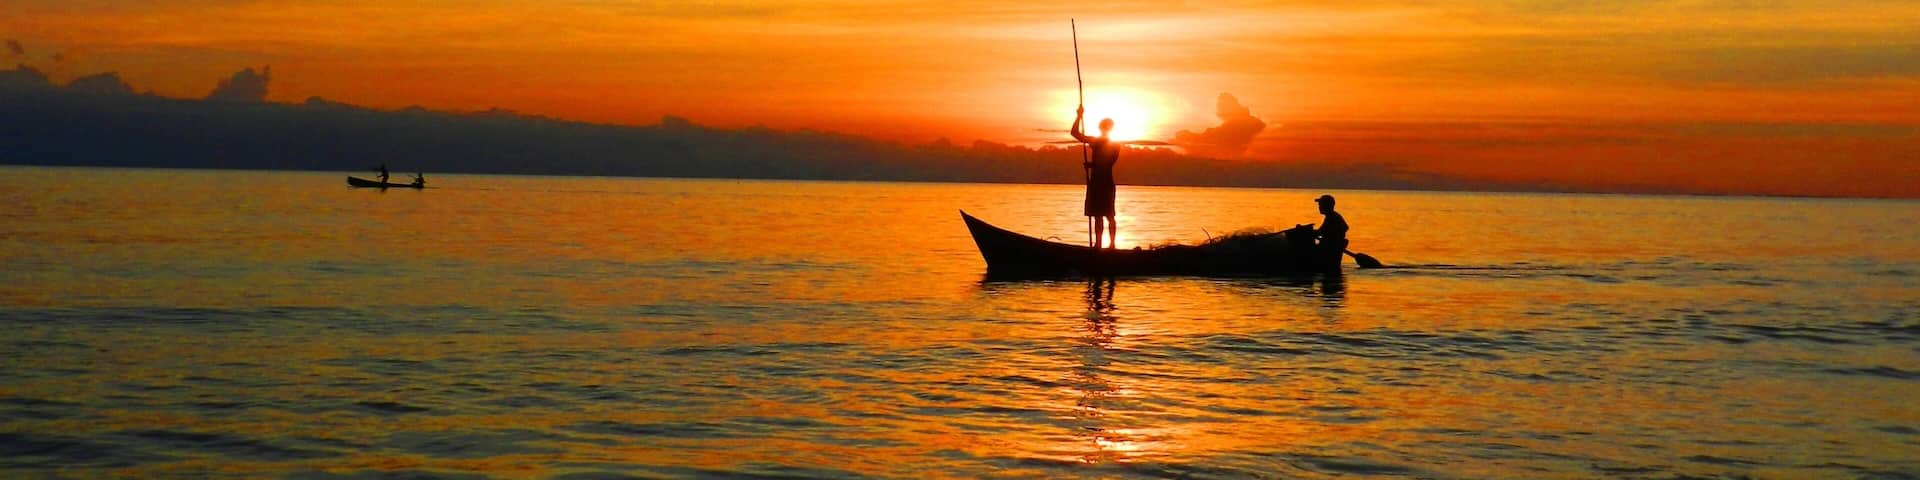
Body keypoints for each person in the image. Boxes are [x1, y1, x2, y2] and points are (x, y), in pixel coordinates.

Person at [1070, 106, 1120, 249]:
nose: (1103, 129)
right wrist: (1079, 116)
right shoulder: (1096, 141)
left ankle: (1111, 245)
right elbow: (1074, 133)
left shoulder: (1113, 145)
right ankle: (1098, 244)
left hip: (1105, 182)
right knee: (1098, 215)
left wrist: (1092, 165)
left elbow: (1107, 163)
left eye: (1105, 127)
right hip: (1096, 182)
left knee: (1109, 215)